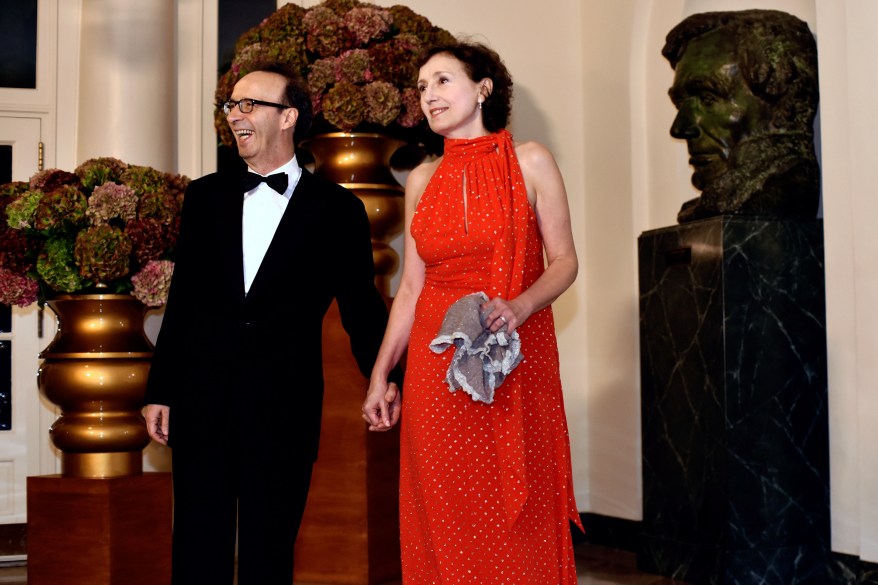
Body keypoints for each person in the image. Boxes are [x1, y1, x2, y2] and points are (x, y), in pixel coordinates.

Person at [143, 63, 397, 585]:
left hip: (285, 406)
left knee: (269, 552)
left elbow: (361, 308)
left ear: (289, 118)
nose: (235, 115)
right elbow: (183, 302)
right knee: (196, 545)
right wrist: (159, 390)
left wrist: (387, 378)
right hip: (200, 402)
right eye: (231, 106)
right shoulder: (204, 197)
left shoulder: (339, 210)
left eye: (249, 104)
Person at [362, 41, 583, 584]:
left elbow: (565, 261)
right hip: (436, 372)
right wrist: (380, 374)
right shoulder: (420, 179)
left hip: (512, 364)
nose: (428, 95)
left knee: (514, 510)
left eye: (441, 80)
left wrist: (522, 304)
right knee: (443, 507)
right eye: (421, 87)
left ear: (483, 88)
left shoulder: (531, 160)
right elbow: (410, 289)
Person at [663, 9, 820, 223]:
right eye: (680, 104)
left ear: (779, 100)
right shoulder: (718, 201)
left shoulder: (782, 188)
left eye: (708, 98)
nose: (680, 128)